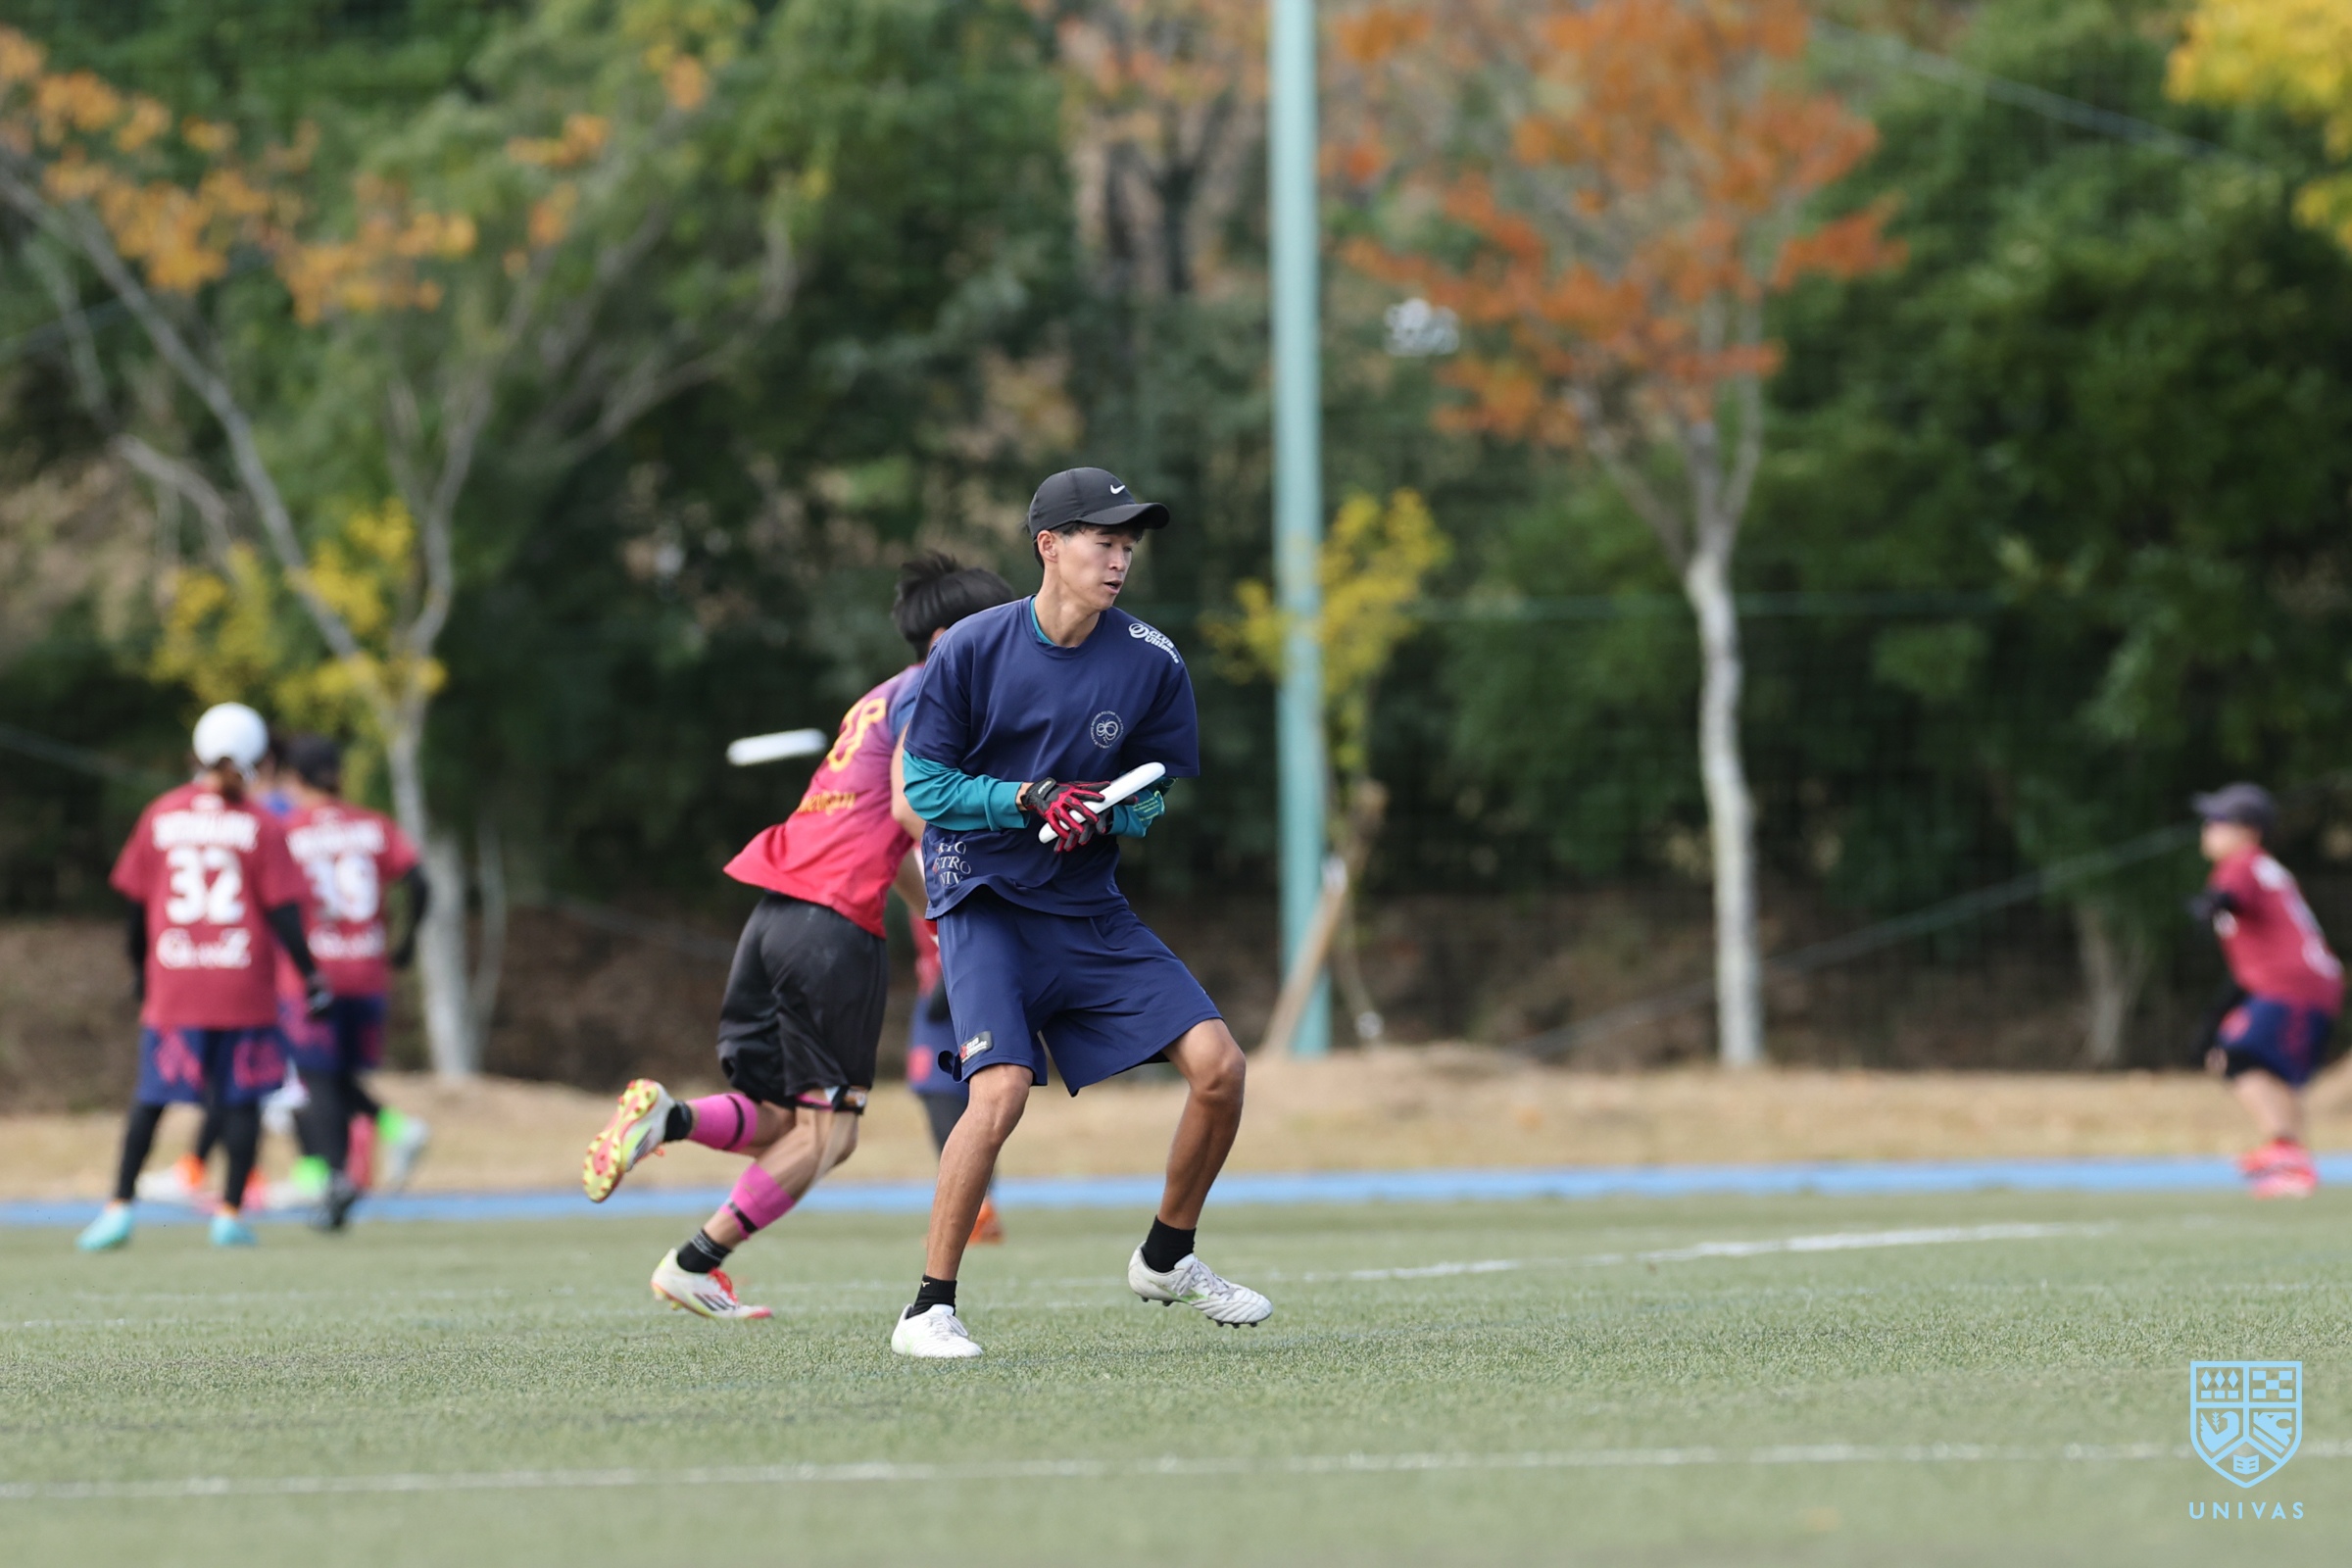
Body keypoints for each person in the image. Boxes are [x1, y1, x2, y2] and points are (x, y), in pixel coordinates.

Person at [888, 466, 1270, 1361]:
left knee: (1220, 1068)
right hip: (983, 898)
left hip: (1085, 905)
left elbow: (1153, 795)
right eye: (1103, 542)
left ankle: (1167, 1257)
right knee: (999, 1092)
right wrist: (1029, 798)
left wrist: (1108, 811)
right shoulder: (970, 647)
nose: (1119, 560)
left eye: (1128, 545)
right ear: (1048, 547)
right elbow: (925, 789)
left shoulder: (1152, 660)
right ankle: (927, 1311)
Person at [580, 554, 1020, 1319]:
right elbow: (911, 811)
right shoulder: (937, 689)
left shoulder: (879, 698)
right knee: (830, 1137)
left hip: (776, 914)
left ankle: (669, 1120)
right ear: (949, 639)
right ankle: (693, 1262)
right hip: (832, 928)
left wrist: (940, 917)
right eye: (999, 632)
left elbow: (887, 839)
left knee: (782, 1120)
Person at [77, 703, 332, 1251]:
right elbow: (284, 912)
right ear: (261, 758)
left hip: (176, 979)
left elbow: (136, 910)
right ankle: (229, 1214)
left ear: (194, 751)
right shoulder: (260, 823)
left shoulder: (161, 814)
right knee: (241, 1100)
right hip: (242, 983)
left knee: (151, 1098)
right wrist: (311, 974)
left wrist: (140, 969)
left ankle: (118, 1208)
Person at [272, 734, 431, 1229]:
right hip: (367, 971)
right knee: (335, 1076)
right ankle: (391, 1133)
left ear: (294, 779)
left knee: (315, 1078)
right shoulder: (373, 825)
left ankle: (335, 1178)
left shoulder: (286, 830)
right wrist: (405, 944)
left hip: (312, 975)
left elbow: (272, 901)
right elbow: (419, 882)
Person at [2189, 783, 2343, 1199]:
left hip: (2291, 984)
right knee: (2273, 1073)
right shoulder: (2265, 868)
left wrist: (2214, 903)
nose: (2208, 829)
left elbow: (2230, 894)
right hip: (2312, 983)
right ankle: (2294, 1166)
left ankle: (2283, 1148)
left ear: (2248, 830)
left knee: (2235, 1055)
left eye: (2218, 820)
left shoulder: (2242, 862)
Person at [903, 914, 1004, 1245]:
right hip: (955, 1015)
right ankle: (982, 1209)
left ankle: (977, 1212)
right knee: (977, 1116)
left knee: (957, 1117)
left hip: (949, 1018)